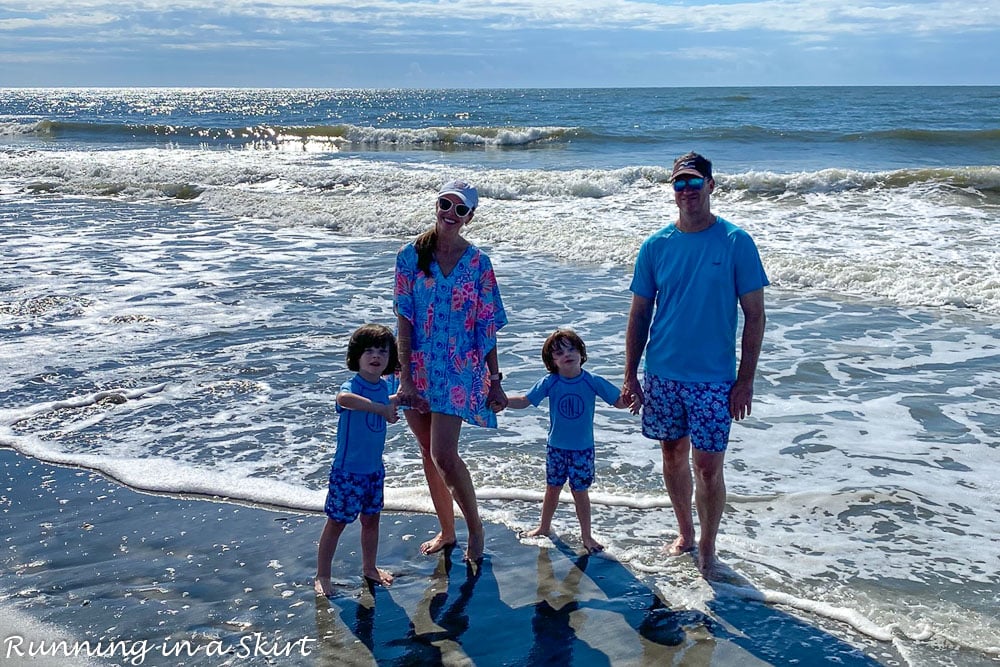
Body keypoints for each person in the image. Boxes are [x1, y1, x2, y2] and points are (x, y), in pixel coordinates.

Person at [623, 152, 768, 578]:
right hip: (663, 372)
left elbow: (755, 314)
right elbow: (639, 314)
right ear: (673, 190)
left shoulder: (735, 241)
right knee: (672, 455)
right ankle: (685, 532)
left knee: (707, 466)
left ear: (711, 185)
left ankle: (708, 544)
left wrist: (745, 380)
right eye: (679, 183)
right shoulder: (655, 246)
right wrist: (630, 374)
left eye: (694, 182)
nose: (687, 190)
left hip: (714, 379)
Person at [394, 179, 508, 565]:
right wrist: (405, 377)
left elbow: (486, 325)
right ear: (437, 204)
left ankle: (475, 528)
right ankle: (447, 530)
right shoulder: (410, 256)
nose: (451, 213)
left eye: (461, 209)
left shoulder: (479, 264)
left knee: (444, 453)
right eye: (446, 204)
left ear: (470, 217)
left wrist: (494, 380)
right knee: (428, 454)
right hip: (418, 367)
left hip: (459, 368)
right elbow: (404, 320)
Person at [507, 328, 636, 554]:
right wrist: (501, 400)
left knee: (580, 492)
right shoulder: (550, 382)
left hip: (582, 450)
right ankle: (544, 527)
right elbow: (524, 401)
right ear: (552, 361)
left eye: (571, 348)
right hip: (555, 447)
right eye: (558, 352)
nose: (566, 354)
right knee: (552, 488)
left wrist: (632, 398)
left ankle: (586, 535)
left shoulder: (592, 381)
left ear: (581, 352)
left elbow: (618, 402)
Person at [315, 323, 400, 597]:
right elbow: (344, 399)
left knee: (372, 520)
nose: (376, 357)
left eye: (382, 352)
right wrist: (380, 409)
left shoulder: (383, 386)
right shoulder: (353, 385)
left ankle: (369, 567)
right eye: (369, 351)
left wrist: (399, 401)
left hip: (374, 471)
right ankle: (323, 575)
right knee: (336, 523)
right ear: (357, 356)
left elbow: (388, 402)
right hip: (348, 471)